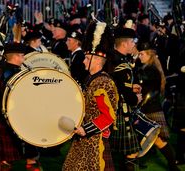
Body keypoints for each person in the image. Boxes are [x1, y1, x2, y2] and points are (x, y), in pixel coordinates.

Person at [63, 21, 119, 171]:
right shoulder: (91, 79)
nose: (83, 61)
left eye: (87, 58)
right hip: (84, 138)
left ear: (97, 60)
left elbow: (108, 116)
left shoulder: (103, 83)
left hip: (95, 140)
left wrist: (86, 129)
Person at [0, 41, 42, 170]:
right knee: (30, 155)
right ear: (15, 57)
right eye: (22, 55)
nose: (24, 58)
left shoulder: (0, 70)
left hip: (3, 118)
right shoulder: (13, 74)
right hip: (17, 118)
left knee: (5, 157)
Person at [135, 42, 180, 171]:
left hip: (151, 108)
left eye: (142, 54)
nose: (140, 56)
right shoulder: (146, 67)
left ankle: (172, 165)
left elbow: (151, 91)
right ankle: (138, 160)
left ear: (150, 55)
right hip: (147, 107)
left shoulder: (151, 70)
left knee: (158, 139)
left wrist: (141, 101)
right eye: (139, 54)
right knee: (146, 137)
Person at [105, 27, 142, 171]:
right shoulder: (121, 63)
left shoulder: (110, 58)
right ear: (125, 43)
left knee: (112, 151)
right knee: (131, 152)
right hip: (121, 110)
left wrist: (131, 87)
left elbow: (116, 84)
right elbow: (125, 92)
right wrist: (135, 98)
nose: (134, 44)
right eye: (132, 41)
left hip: (110, 108)